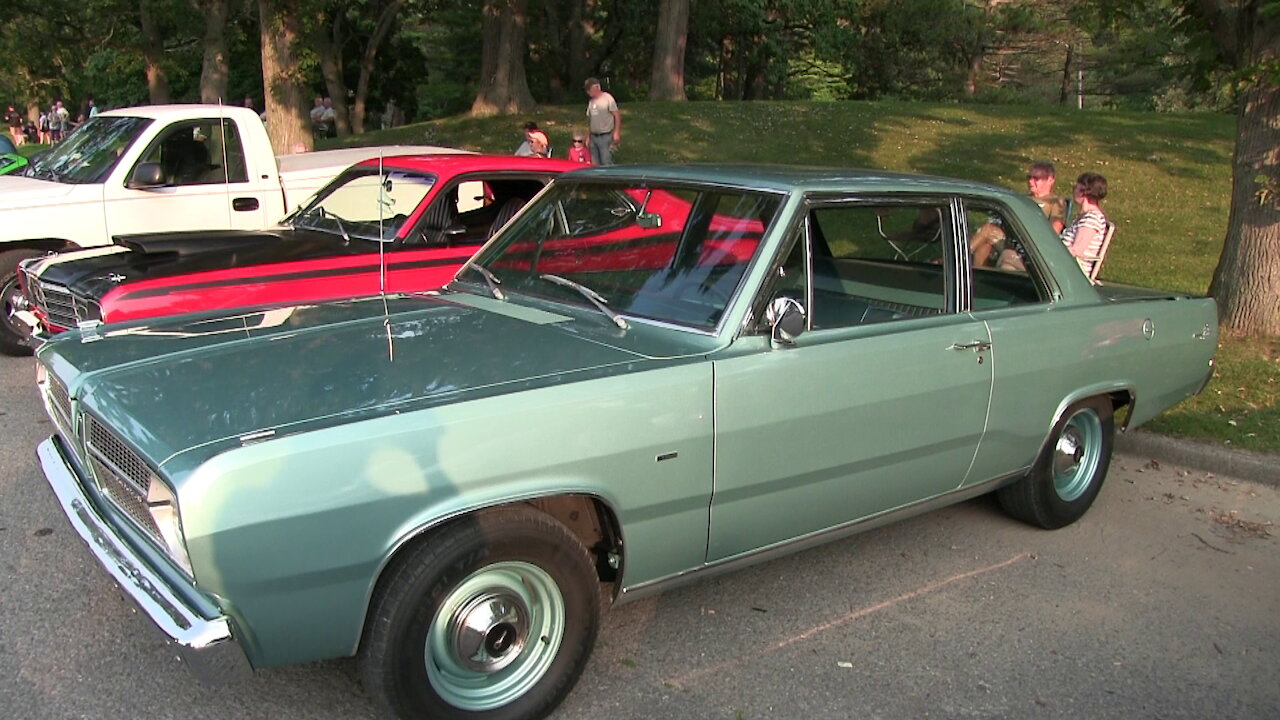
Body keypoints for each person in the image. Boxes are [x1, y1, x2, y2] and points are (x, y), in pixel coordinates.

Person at [1061, 172, 1109, 275]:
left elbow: (1076, 251)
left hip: (1071, 272)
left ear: (1084, 192)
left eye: (1076, 188)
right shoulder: (1083, 217)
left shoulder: (1092, 219)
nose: (1074, 191)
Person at [584, 77, 620, 165]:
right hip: (593, 136)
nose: (588, 92)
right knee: (594, 162)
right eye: (587, 90)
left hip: (605, 136)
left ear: (596, 87)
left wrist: (616, 132)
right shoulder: (591, 102)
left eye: (590, 89)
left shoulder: (607, 98)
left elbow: (617, 116)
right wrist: (588, 136)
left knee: (606, 161)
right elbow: (590, 120)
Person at [1027, 161, 1067, 233]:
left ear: (1050, 180)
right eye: (1029, 177)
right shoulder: (1023, 199)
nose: (1030, 181)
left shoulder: (1056, 202)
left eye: (1036, 178)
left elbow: (1055, 230)